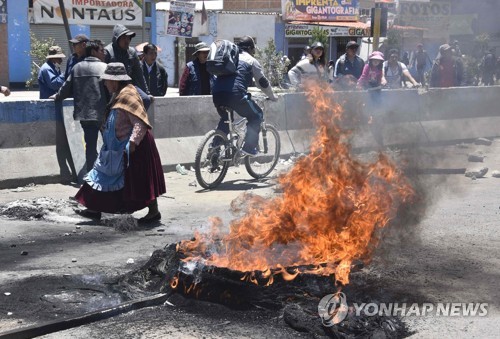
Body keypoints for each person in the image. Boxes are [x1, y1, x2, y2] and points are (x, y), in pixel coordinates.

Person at [74, 63, 166, 224]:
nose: (105, 83)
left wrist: (132, 143)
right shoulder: (118, 94)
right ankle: (94, 208)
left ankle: (153, 212)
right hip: (117, 146)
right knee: (102, 174)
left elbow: (140, 123)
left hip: (136, 145)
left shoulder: (127, 95)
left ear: (115, 81)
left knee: (141, 180)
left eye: (107, 80)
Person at [211, 36, 278, 156]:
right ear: (250, 49)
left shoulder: (228, 57)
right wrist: (272, 96)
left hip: (217, 93)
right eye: (253, 49)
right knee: (257, 116)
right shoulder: (251, 60)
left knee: (226, 119)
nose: (254, 52)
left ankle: (214, 148)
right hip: (235, 95)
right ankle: (249, 147)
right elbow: (262, 83)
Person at [51, 40, 108, 172]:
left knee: (90, 147)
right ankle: (106, 175)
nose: (104, 53)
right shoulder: (105, 67)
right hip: (103, 114)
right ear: (93, 51)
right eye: (101, 50)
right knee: (109, 145)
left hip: (85, 115)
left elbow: (65, 89)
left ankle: (91, 178)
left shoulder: (77, 68)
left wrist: (57, 96)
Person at [104, 24, 151, 109]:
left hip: (128, 86)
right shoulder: (108, 52)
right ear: (116, 39)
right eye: (124, 38)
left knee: (146, 99)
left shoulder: (132, 52)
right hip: (112, 88)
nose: (127, 41)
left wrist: (146, 92)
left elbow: (139, 74)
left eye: (128, 38)